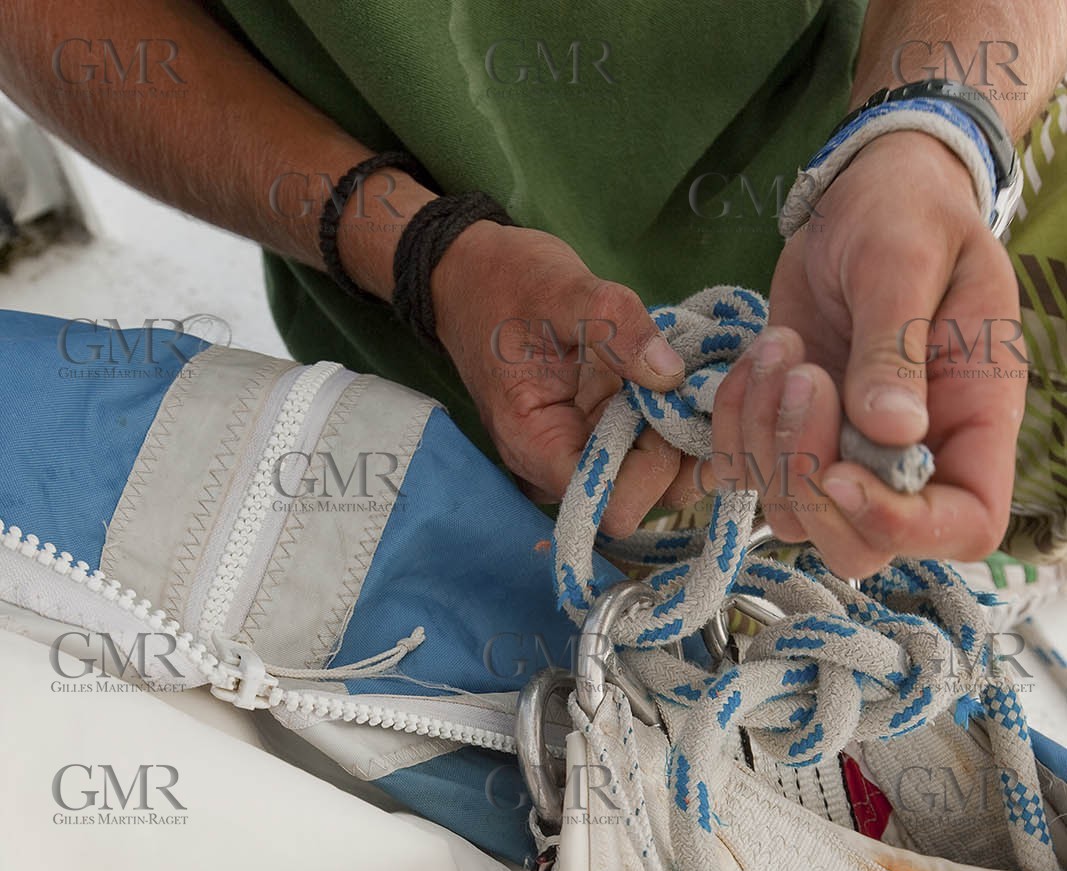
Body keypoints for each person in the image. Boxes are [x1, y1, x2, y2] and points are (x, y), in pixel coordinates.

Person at [2, 0, 1066, 576]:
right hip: (471, 371)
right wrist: (417, 250)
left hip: (947, 188)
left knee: (980, 543)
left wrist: (925, 138)